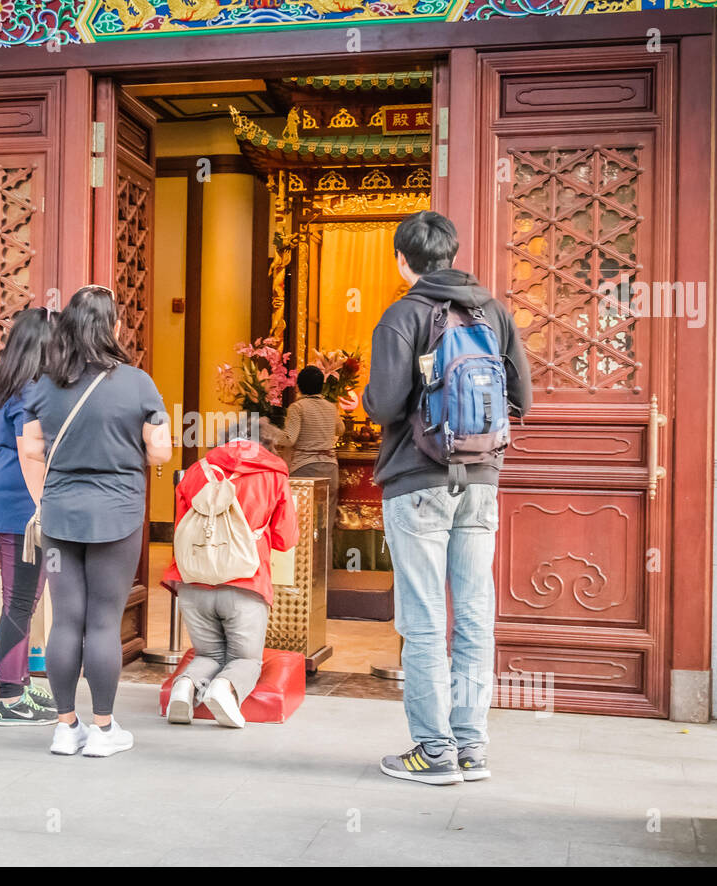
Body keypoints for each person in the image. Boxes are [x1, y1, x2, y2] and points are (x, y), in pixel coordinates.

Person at [363, 210, 532, 786]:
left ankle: (433, 751)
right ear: (454, 253)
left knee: (425, 617)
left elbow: (383, 406)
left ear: (401, 259)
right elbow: (523, 400)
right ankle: (471, 747)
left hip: (417, 482)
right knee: (475, 615)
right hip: (481, 482)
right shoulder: (494, 312)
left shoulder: (402, 315)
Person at [19, 286, 172, 758]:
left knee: (65, 620)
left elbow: (29, 449)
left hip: (62, 516)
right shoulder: (138, 384)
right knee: (103, 623)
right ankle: (103, 731)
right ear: (115, 328)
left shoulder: (44, 383)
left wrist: (45, 502)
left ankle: (66, 728)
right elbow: (161, 450)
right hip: (118, 513)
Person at [161, 420, 298, 728]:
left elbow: (182, 528)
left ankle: (185, 687)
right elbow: (285, 537)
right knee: (245, 659)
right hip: (246, 581)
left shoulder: (197, 470)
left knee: (209, 654)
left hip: (193, 581)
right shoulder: (274, 473)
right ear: (268, 443)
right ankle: (224, 690)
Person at [0, 308, 59, 727]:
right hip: (21, 506)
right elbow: (33, 455)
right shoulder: (29, 392)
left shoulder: (13, 386)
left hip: (10, 499)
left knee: (23, 600)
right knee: (18, 601)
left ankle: (21, 685)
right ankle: (9, 697)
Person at [264, 365, 344, 525]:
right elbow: (341, 429)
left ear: (298, 386)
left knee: (301, 521)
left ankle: (302, 551)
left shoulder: (297, 407)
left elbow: (289, 439)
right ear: (321, 386)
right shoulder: (331, 407)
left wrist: (269, 431)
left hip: (305, 467)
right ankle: (325, 551)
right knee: (325, 523)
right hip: (330, 467)